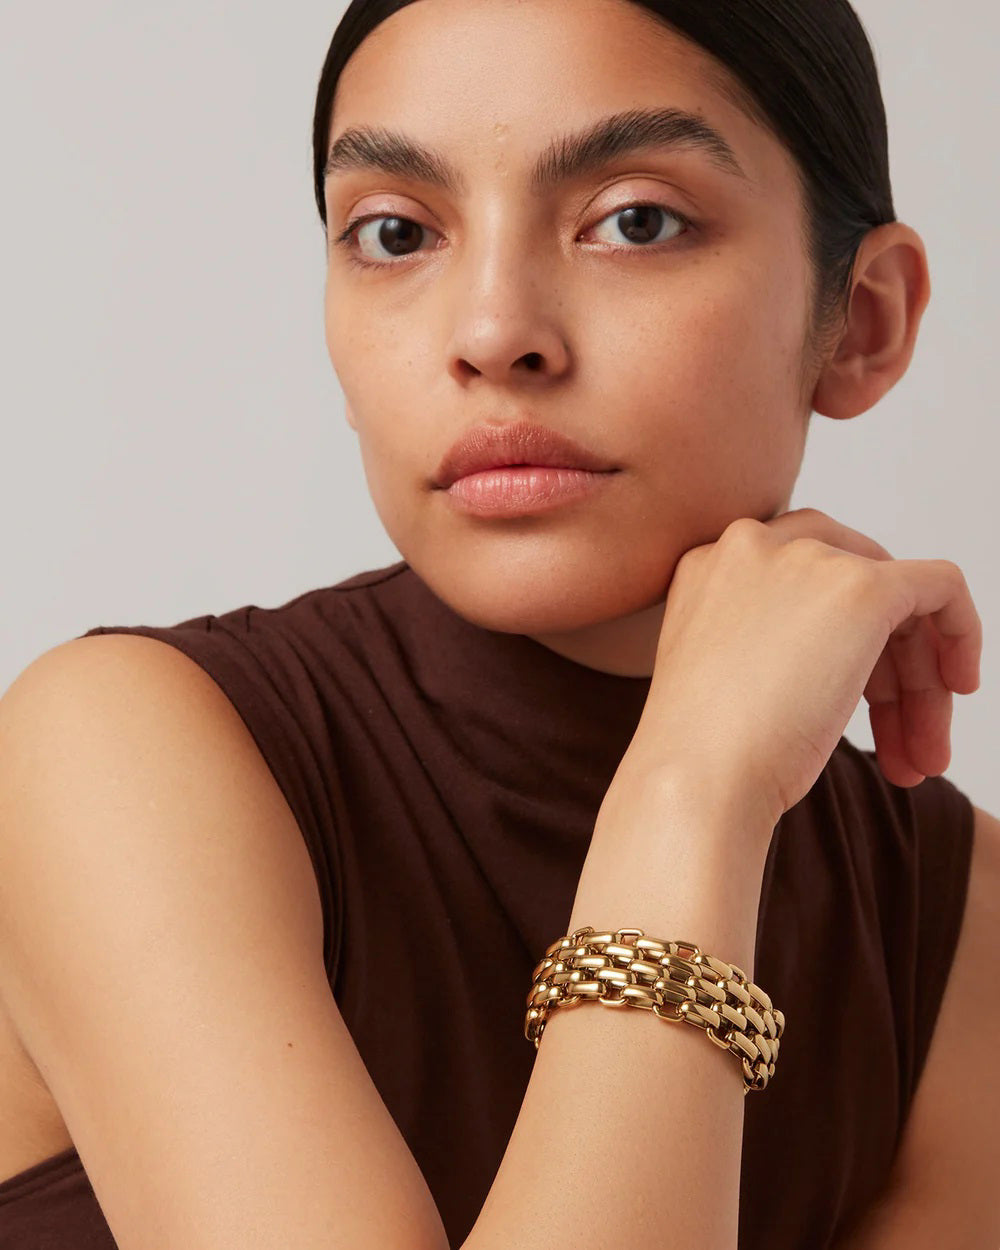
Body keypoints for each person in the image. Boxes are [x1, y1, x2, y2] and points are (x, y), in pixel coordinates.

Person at [0, 1, 995, 1247]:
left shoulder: (961, 921)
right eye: (396, 231)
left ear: (865, 316)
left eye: (635, 220)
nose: (489, 333)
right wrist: (692, 788)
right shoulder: (119, 752)